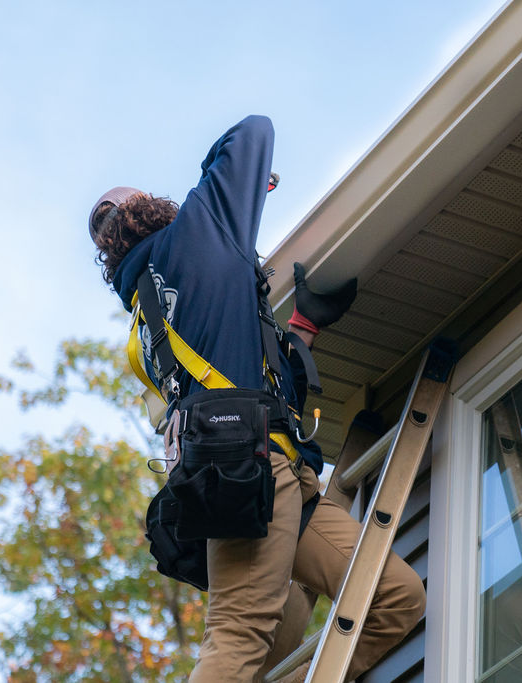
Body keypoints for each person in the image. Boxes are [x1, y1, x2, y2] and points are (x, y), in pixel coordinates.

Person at [88, 115, 425, 682]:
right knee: (240, 633)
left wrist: (300, 331)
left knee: (395, 598)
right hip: (249, 472)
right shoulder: (196, 234)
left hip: (274, 470)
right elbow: (253, 133)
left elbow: (248, 382)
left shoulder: (146, 323)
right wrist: (209, 189)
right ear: (155, 210)